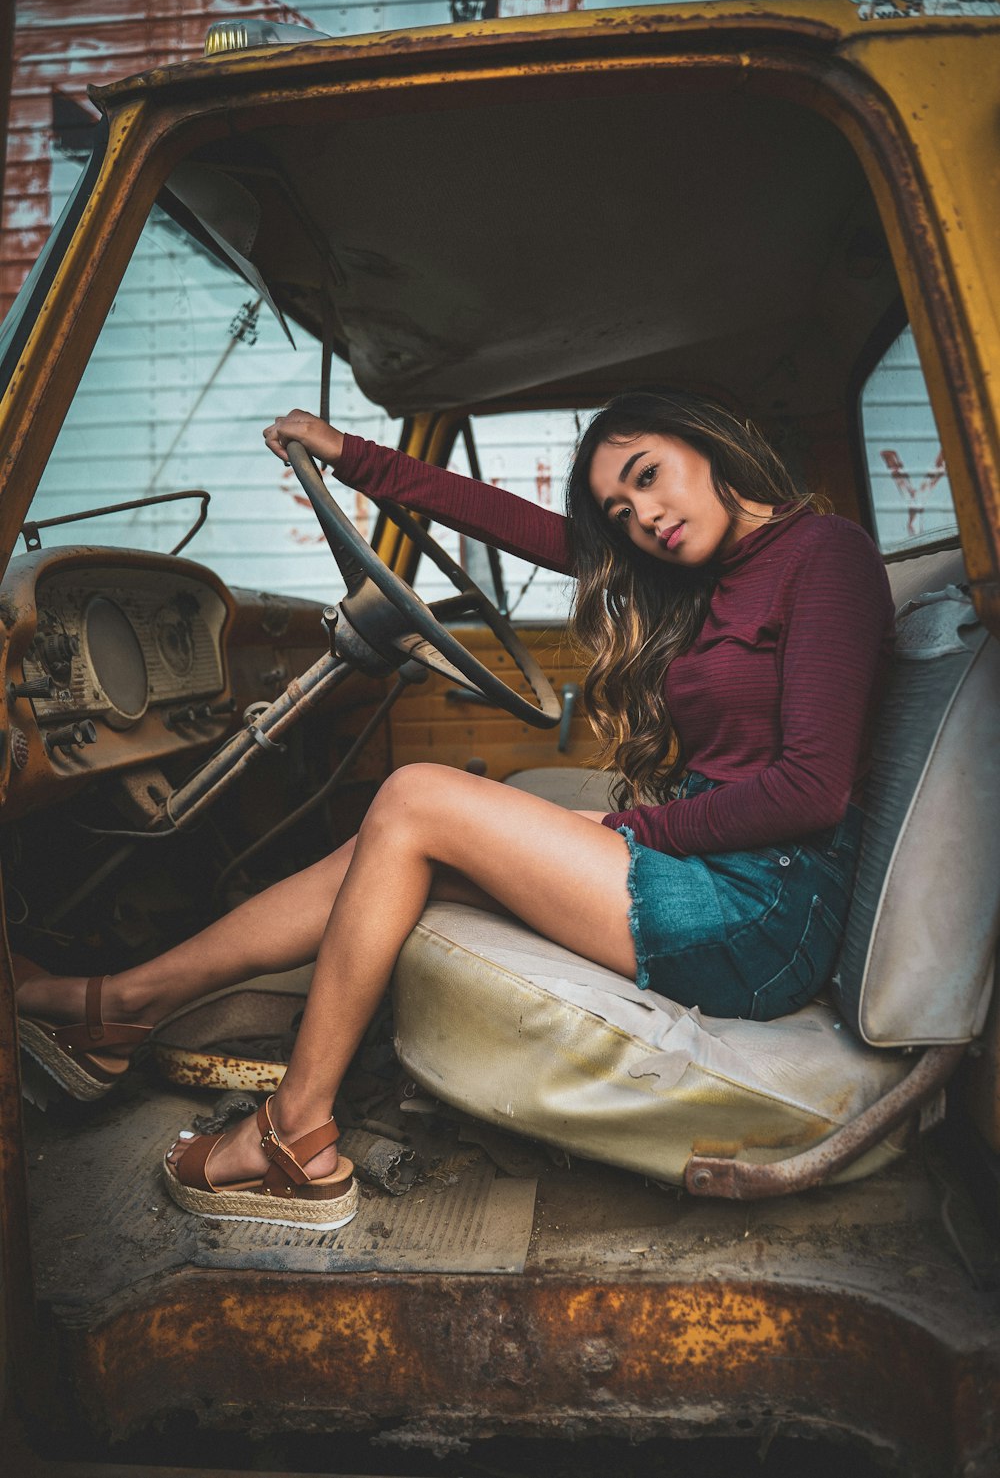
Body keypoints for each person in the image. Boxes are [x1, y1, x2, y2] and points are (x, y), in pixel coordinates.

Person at [14, 391, 894, 1230]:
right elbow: (517, 523)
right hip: (726, 871)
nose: (642, 516)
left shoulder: (826, 554)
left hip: (763, 910)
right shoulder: (698, 568)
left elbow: (810, 790)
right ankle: (119, 1003)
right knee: (389, 841)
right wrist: (351, 457)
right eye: (619, 512)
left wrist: (633, 828)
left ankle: (290, 1131)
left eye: (648, 473)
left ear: (704, 443)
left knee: (414, 796)